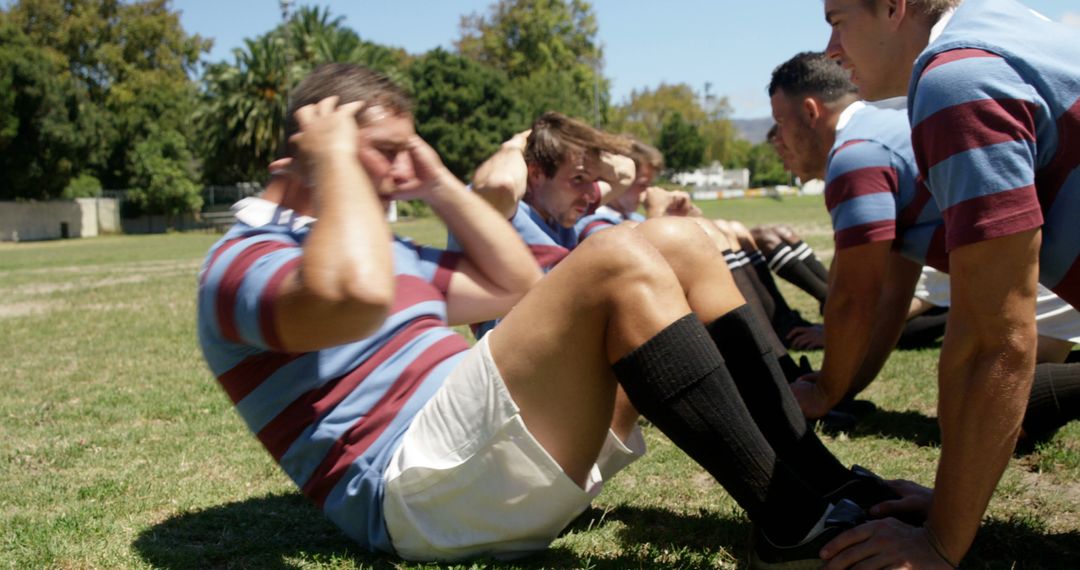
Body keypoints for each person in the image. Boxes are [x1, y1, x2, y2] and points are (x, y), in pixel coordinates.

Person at [197, 63, 902, 566]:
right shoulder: (242, 261)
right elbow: (345, 299)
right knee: (614, 258)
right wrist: (337, 165)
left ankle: (816, 477)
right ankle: (789, 523)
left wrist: (436, 180)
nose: (390, 172)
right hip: (417, 493)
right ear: (307, 151)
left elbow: (510, 285)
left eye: (399, 153)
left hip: (481, 457)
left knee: (678, 241)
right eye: (380, 154)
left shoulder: (384, 248)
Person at [820, 0, 1080, 566]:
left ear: (893, 8)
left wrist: (939, 541)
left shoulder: (955, 77)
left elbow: (996, 339)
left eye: (837, 21)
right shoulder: (1001, 24)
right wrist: (950, 502)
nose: (831, 51)